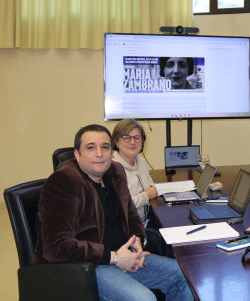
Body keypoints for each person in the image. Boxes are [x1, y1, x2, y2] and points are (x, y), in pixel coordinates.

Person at [34, 124, 194, 301]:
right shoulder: (63, 182)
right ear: (77, 154)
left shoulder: (116, 171)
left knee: (185, 275)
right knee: (143, 299)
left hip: (123, 254)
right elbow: (56, 246)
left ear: (112, 151)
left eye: (105, 147)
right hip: (88, 265)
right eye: (90, 147)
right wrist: (115, 258)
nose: (99, 154)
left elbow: (131, 213)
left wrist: (137, 240)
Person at [112, 119, 158, 228]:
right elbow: (122, 205)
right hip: (126, 229)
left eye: (137, 138)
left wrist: (149, 192)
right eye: (126, 138)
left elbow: (151, 186)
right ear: (116, 142)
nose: (132, 142)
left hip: (143, 220)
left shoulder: (140, 161)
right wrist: (146, 195)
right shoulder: (112, 168)